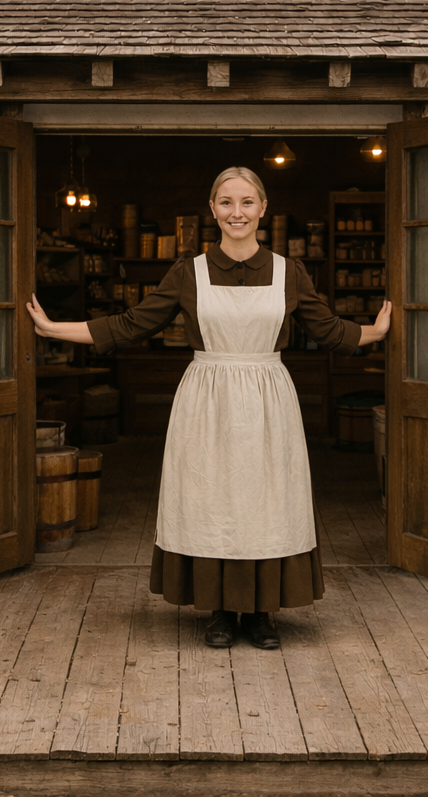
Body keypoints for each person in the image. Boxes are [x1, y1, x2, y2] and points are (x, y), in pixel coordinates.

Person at [27, 167, 392, 650]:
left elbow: (329, 330)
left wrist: (377, 332)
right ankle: (220, 610)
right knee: (212, 500)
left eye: (246, 202)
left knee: (267, 502)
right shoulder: (188, 272)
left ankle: (262, 612)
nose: (236, 212)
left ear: (263, 209)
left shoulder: (290, 272)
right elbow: (132, 325)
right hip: (208, 396)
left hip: (267, 398)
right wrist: (56, 329)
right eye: (226, 202)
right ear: (212, 211)